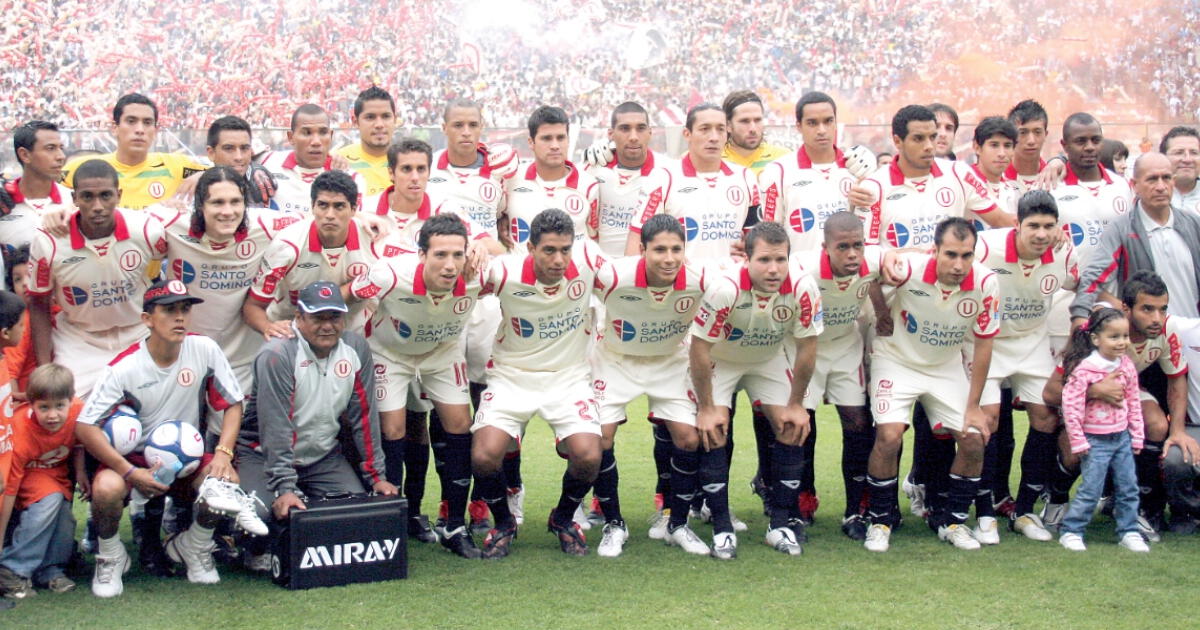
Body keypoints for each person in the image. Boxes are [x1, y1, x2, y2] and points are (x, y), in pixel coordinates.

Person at [76, 279, 256, 597]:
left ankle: (194, 545)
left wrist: (223, 453)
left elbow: (233, 403)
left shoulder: (204, 349)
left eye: (185, 310)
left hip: (185, 456)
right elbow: (85, 426)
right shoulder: (124, 368)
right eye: (169, 310)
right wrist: (131, 472)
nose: (180, 318)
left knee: (223, 483)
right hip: (133, 459)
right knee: (107, 488)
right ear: (147, 319)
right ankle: (110, 554)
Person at [345, 214, 487, 558]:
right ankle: (395, 518)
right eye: (440, 255)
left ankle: (454, 524)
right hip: (389, 354)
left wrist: (485, 247)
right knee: (393, 429)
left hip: (442, 354)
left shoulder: (481, 274)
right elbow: (346, 295)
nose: (450, 265)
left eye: (458, 254)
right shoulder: (389, 274)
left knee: (459, 426)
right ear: (421, 254)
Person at [470, 209, 605, 558]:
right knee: (484, 456)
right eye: (549, 251)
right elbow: (456, 282)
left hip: (569, 377)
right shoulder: (504, 271)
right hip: (511, 375)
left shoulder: (590, 261)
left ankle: (562, 518)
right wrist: (469, 253)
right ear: (530, 248)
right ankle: (504, 523)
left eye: (565, 250)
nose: (558, 260)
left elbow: (637, 274)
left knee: (590, 455)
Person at [236, 281, 398, 567]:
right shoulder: (278, 354)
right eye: (317, 318)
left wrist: (377, 477)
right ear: (299, 318)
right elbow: (276, 428)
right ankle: (239, 543)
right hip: (260, 455)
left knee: (354, 510)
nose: (327, 326)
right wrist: (284, 487)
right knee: (260, 516)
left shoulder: (355, 347)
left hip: (322, 456)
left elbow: (364, 416)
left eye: (334, 317)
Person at [689, 221, 823, 558]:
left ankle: (780, 525)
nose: (774, 268)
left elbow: (807, 348)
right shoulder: (725, 287)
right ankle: (722, 528)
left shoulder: (804, 287)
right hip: (723, 359)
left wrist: (797, 404)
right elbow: (700, 349)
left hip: (769, 359)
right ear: (746, 258)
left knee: (793, 426)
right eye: (764, 260)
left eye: (780, 259)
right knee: (715, 428)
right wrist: (706, 407)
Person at [864, 218, 999, 552]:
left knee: (973, 439)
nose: (958, 264)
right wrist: (882, 312)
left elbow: (984, 346)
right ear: (934, 250)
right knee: (889, 435)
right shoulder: (908, 268)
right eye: (950, 254)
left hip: (945, 366)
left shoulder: (986, 282)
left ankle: (952, 521)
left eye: (966, 256)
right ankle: (880, 520)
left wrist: (973, 406)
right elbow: (869, 276)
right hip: (895, 359)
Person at [589, 214, 707, 557]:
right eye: (659, 250)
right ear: (642, 250)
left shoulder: (700, 279)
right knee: (601, 439)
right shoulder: (613, 275)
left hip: (669, 362)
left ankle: (678, 524)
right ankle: (614, 524)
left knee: (688, 438)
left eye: (676, 249)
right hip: (615, 361)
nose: (669, 258)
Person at [426, 99, 516, 532]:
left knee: (485, 398)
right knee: (439, 403)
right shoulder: (429, 171)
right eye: (458, 124)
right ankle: (448, 500)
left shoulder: (499, 172)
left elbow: (508, 237)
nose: (466, 132)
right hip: (440, 299)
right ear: (443, 127)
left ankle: (486, 498)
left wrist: (484, 245)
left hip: (483, 302)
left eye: (473, 125)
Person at [973, 191, 1079, 542]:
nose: (1041, 234)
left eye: (1049, 226)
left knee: (1046, 417)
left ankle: (1025, 511)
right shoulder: (987, 246)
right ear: (1017, 225)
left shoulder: (1063, 250)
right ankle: (986, 514)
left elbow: (1082, 285)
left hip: (1032, 343)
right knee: (987, 420)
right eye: (1032, 226)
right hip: (988, 343)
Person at [153, 167, 302, 391]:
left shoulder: (265, 224)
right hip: (183, 353)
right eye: (217, 202)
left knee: (227, 426)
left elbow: (317, 220)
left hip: (240, 360)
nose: (228, 211)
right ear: (200, 206)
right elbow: (121, 220)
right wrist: (159, 205)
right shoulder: (172, 221)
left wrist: (360, 215)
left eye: (235, 202)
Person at [27, 159, 167, 397]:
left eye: (105, 195)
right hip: (80, 340)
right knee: (66, 410)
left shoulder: (146, 230)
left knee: (158, 406)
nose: (98, 205)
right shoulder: (48, 241)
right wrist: (44, 366)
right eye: (88, 197)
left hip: (139, 333)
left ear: (119, 195)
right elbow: (38, 302)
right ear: (74, 199)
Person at [790, 212, 884, 540]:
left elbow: (902, 263)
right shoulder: (802, 267)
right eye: (842, 247)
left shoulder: (874, 260)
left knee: (858, 423)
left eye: (858, 245)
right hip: (805, 348)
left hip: (846, 347)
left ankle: (855, 510)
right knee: (800, 425)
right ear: (825, 247)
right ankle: (797, 505)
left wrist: (883, 312)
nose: (852, 254)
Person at [243, 170, 381, 338]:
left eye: (339, 206)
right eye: (323, 205)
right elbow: (253, 306)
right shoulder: (286, 246)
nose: (330, 215)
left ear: (353, 210)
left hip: (351, 335)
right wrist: (267, 327)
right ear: (313, 206)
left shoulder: (375, 240)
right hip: (293, 336)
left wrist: (357, 288)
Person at [1056, 307, 1149, 553]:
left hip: (1121, 438)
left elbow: (1133, 401)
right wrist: (1078, 440)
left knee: (1128, 487)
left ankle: (1128, 531)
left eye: (1125, 336)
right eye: (1114, 337)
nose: (1122, 342)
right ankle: (1072, 530)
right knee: (1091, 488)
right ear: (1096, 339)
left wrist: (1137, 434)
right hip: (1094, 441)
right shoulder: (1085, 369)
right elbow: (1071, 404)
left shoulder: (1127, 365)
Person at [0, 364, 85, 600]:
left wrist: (80, 472)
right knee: (49, 501)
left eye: (59, 406)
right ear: (31, 404)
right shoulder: (21, 431)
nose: (52, 415)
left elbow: (79, 441)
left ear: (70, 400)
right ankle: (12, 569)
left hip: (57, 474)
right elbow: (8, 488)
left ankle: (51, 570)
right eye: (43, 407)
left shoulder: (79, 410)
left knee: (64, 517)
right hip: (26, 475)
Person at [59, 94, 207, 210]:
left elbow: (226, 173)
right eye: (131, 121)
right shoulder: (82, 168)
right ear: (114, 128)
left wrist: (204, 175)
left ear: (155, 131)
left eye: (147, 123)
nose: (140, 130)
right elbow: (43, 187)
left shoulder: (177, 165)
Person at [498, 106, 599, 250]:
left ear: (568, 140)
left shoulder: (589, 185)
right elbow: (492, 215)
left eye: (561, 138)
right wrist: (500, 221)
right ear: (531, 143)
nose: (555, 146)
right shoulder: (511, 180)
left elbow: (595, 238)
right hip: (521, 271)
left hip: (571, 272)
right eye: (546, 138)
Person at [580, 101, 664, 258]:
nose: (633, 137)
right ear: (611, 134)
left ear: (650, 132)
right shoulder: (591, 168)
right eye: (625, 129)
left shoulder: (666, 171)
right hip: (600, 272)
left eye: (640, 128)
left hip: (648, 274)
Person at [259, 104, 364, 214]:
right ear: (291, 137)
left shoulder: (352, 180)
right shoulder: (266, 162)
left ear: (331, 135)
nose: (316, 142)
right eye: (306, 133)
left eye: (323, 132)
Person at [0, 121, 69, 253]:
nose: (61, 156)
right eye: (50, 148)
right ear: (25, 155)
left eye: (61, 148)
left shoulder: (73, 201)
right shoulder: (4, 203)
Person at [335, 86, 398, 200]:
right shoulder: (338, 160)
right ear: (355, 122)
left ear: (395, 119)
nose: (379, 124)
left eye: (386, 116)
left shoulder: (409, 162)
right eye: (370, 117)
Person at [204, 116, 277, 207]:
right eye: (229, 148)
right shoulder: (194, 189)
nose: (239, 157)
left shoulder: (268, 184)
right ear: (211, 153)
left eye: (244, 148)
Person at [720, 90, 789, 174]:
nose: (753, 129)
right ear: (728, 126)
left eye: (757, 120)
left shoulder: (783, 159)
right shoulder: (713, 161)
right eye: (744, 121)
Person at [969, 116, 1021, 217]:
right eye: (994, 145)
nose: (1001, 154)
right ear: (977, 147)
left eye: (1007, 146)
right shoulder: (962, 183)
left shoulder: (1015, 191)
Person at [1003, 100, 1050, 192]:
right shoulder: (996, 176)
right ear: (1011, 136)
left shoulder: (1055, 176)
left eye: (1037, 132)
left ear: (1046, 135)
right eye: (1023, 132)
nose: (1031, 141)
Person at [1159, 126, 1200, 214]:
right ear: (1163, 157)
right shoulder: (1149, 195)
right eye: (1179, 153)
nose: (1187, 159)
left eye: (1194, 153)